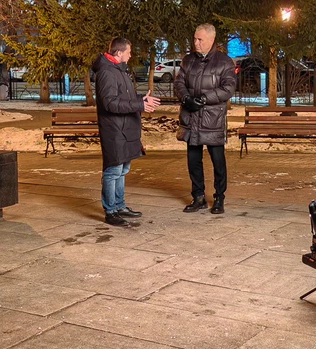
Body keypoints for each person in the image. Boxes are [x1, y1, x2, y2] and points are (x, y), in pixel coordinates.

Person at [92, 37, 160, 227]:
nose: (130, 56)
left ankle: (120, 205)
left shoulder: (119, 70)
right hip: (114, 129)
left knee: (123, 169)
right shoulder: (107, 73)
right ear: (119, 53)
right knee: (113, 170)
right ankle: (111, 210)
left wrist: (140, 99)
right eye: (129, 52)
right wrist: (139, 105)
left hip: (126, 127)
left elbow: (123, 97)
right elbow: (110, 103)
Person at [174, 24, 237, 214]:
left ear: (211, 40)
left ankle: (219, 197)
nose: (196, 43)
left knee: (218, 161)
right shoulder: (188, 60)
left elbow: (228, 89)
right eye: (194, 39)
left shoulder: (224, 62)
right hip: (191, 119)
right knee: (193, 160)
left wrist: (203, 99)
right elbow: (179, 82)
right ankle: (198, 197)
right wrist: (185, 98)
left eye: (200, 39)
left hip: (212, 120)